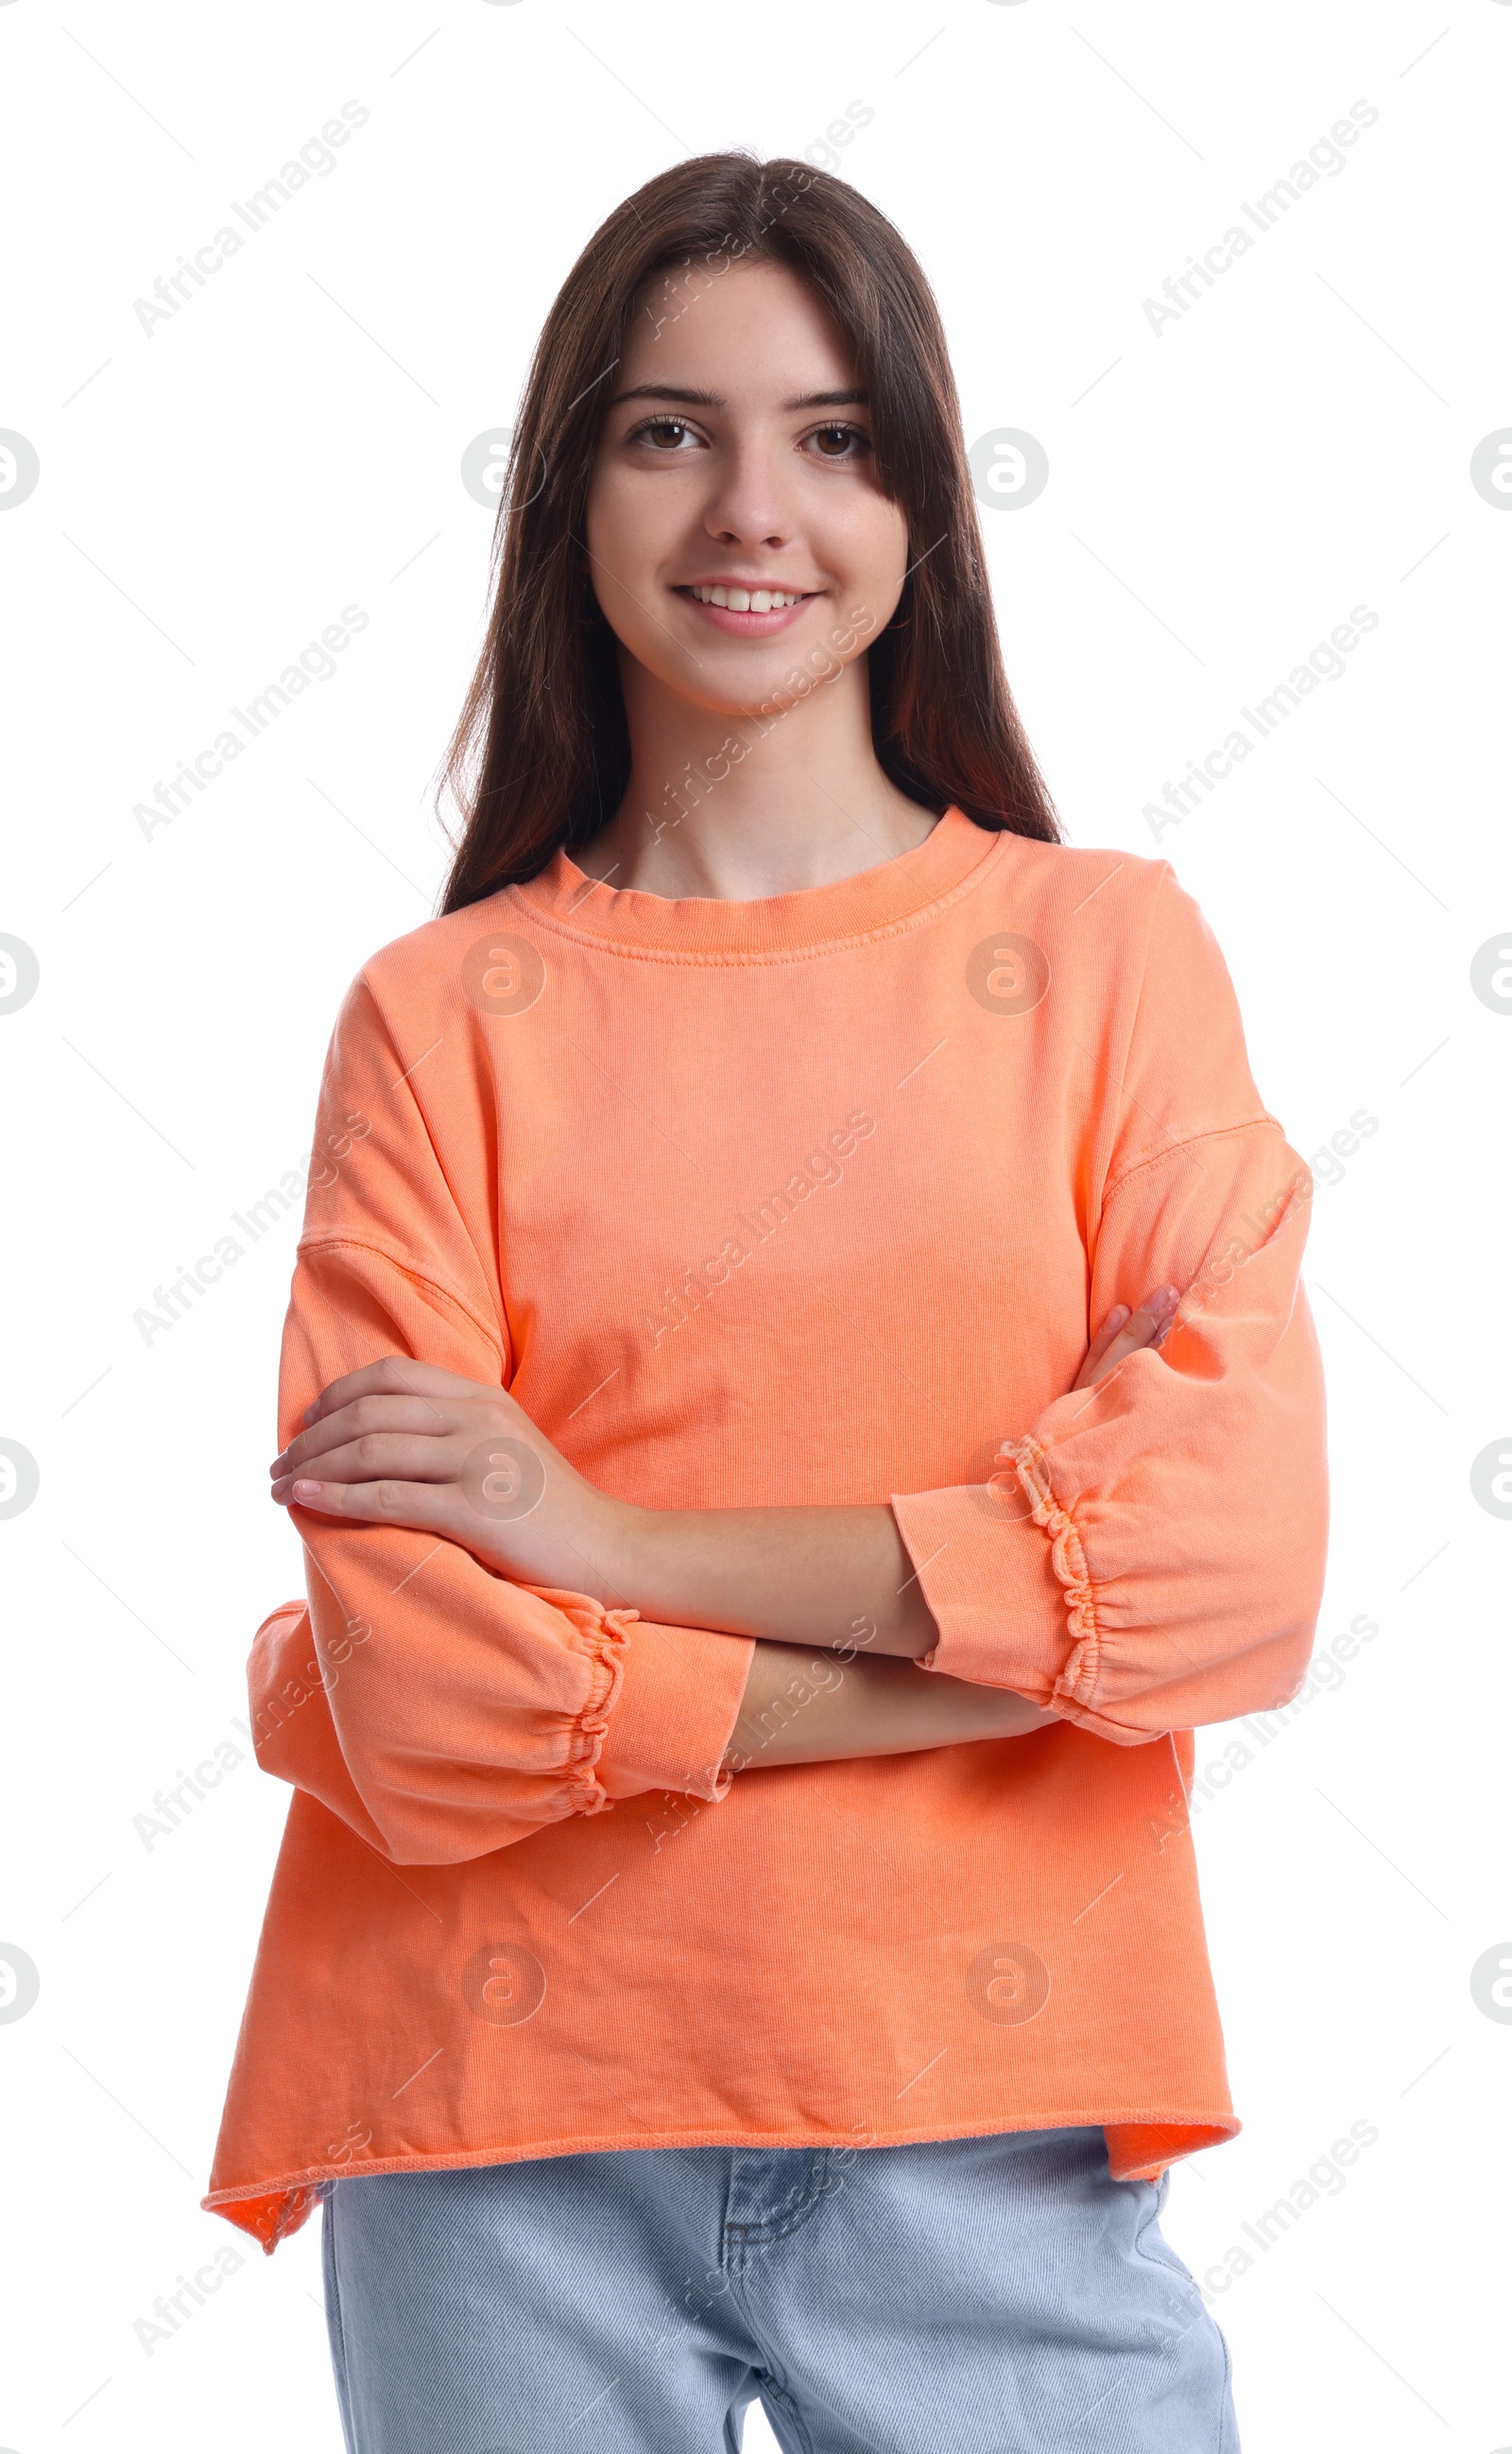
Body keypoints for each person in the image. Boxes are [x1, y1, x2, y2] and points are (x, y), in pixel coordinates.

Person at [202, 151, 1328, 2451]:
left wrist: (600, 1545)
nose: (752, 506)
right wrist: (1004, 1670)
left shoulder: (1104, 961)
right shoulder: (441, 1019)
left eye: (831, 435)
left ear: (920, 497)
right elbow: (418, 1685)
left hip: (988, 2106)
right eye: (667, 429)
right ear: (571, 492)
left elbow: (1228, 1567)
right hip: (495, 2113)